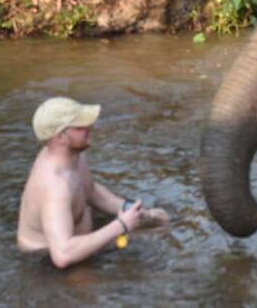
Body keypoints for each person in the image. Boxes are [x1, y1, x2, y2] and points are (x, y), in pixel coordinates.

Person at [17, 97, 169, 268]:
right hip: (47, 262)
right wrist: (121, 226)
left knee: (161, 226)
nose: (90, 127)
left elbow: (91, 191)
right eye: (80, 126)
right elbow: (62, 255)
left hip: (77, 244)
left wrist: (135, 212)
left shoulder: (72, 155)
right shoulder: (55, 186)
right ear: (61, 137)